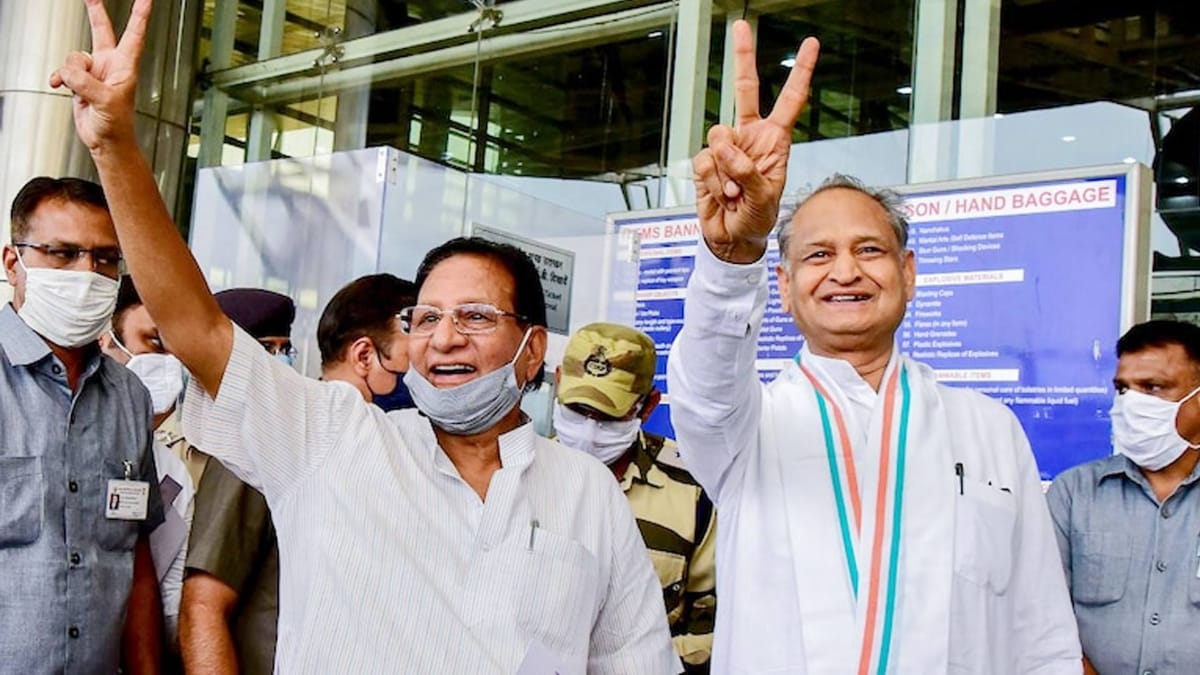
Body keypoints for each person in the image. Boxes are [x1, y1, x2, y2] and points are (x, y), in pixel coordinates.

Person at [51, 3, 679, 671]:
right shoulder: (332, 438)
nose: (443, 338)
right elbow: (196, 326)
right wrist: (115, 146)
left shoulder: (586, 493)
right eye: (426, 317)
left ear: (532, 349)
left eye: (474, 316)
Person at [666, 20, 1080, 674]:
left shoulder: (989, 431)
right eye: (818, 255)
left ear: (908, 272)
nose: (846, 271)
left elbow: (1042, 637)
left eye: (869, 250)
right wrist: (732, 251)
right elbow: (707, 380)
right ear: (785, 283)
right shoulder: (747, 428)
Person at [0, 176, 163, 672]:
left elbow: (133, 558)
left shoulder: (130, 397)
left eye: (105, 258)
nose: (87, 273)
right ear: (14, 263)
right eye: (63, 254)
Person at [554, 322, 717, 673]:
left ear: (648, 406)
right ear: (557, 383)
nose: (588, 431)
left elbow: (712, 620)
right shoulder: (515, 472)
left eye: (608, 417)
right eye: (577, 411)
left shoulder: (692, 492)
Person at [1048, 319, 1200, 675]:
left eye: (1152, 387)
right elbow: (1042, 617)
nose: (1132, 403)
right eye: (1123, 389)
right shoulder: (1074, 493)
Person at [179, 287, 296, 675]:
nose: (279, 362)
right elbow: (202, 607)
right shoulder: (246, 451)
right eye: (265, 349)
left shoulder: (290, 437)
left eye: (285, 349)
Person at [99, 276, 197, 663]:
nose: (169, 362)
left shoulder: (173, 475)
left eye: (177, 348)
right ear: (105, 340)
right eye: (154, 343)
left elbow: (168, 601)